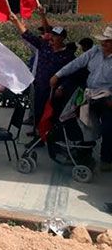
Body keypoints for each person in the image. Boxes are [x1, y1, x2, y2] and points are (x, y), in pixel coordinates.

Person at [50, 25, 112, 171]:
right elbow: (76, 64)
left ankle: (107, 159)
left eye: (108, 41)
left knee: (108, 128)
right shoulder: (95, 51)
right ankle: (85, 152)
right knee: (84, 124)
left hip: (108, 97)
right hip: (90, 94)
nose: (104, 44)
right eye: (104, 40)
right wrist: (58, 75)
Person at [9, 12, 75, 133]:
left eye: (56, 36)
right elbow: (27, 35)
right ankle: (38, 137)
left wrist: (62, 87)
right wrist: (16, 22)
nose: (52, 37)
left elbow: (71, 75)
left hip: (54, 92)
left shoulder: (68, 55)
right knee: (38, 112)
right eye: (52, 35)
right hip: (40, 87)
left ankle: (53, 141)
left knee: (53, 116)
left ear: (62, 38)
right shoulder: (44, 46)